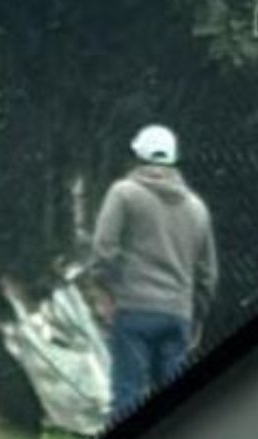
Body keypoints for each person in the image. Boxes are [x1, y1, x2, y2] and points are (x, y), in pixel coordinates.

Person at [89, 123, 218, 421]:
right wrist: (195, 314)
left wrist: (105, 294)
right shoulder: (197, 208)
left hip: (133, 309)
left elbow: (103, 251)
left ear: (138, 156)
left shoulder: (124, 194)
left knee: (128, 396)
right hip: (178, 315)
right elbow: (207, 275)